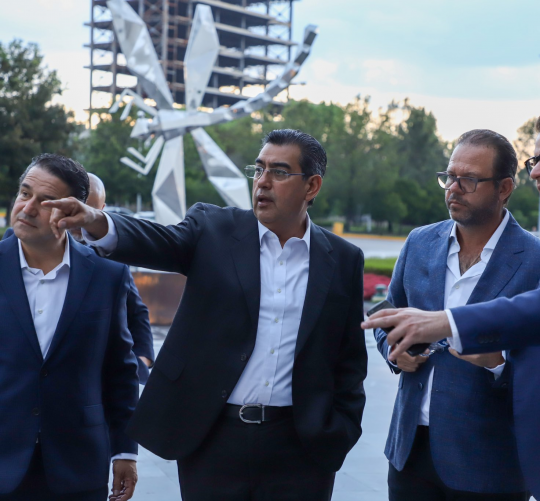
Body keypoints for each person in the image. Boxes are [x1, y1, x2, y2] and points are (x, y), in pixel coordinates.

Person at [43, 129, 367, 501]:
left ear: (312, 186)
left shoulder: (342, 260)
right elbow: (157, 240)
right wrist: (95, 220)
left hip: (301, 450)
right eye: (258, 169)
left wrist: (338, 430)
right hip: (213, 440)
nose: (262, 182)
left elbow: (349, 360)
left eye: (279, 172)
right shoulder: (214, 229)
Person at [363, 120, 540, 501]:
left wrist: (497, 365)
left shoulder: (534, 260)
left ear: (504, 188)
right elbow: (390, 314)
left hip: (489, 462)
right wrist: (394, 350)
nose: (454, 188)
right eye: (449, 177)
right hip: (409, 451)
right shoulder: (419, 242)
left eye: (469, 180)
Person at [0, 154, 139, 501]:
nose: (27, 208)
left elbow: (120, 370)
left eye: (45, 201)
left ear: (72, 212)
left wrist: (125, 450)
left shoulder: (107, 276)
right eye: (24, 193)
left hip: (78, 465)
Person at [3, 173, 155, 384]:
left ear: (101, 211)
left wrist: (142, 360)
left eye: (87, 210)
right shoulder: (15, 243)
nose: (77, 217)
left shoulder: (110, 263)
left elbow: (134, 312)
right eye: (72, 207)